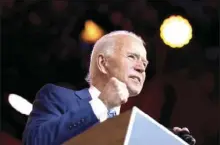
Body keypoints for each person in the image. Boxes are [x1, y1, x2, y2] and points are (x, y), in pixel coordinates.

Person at [22, 31, 196, 145]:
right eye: (132, 57)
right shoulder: (56, 96)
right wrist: (101, 104)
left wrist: (166, 141)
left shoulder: (133, 133)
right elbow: (36, 142)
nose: (142, 68)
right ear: (103, 63)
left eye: (144, 63)